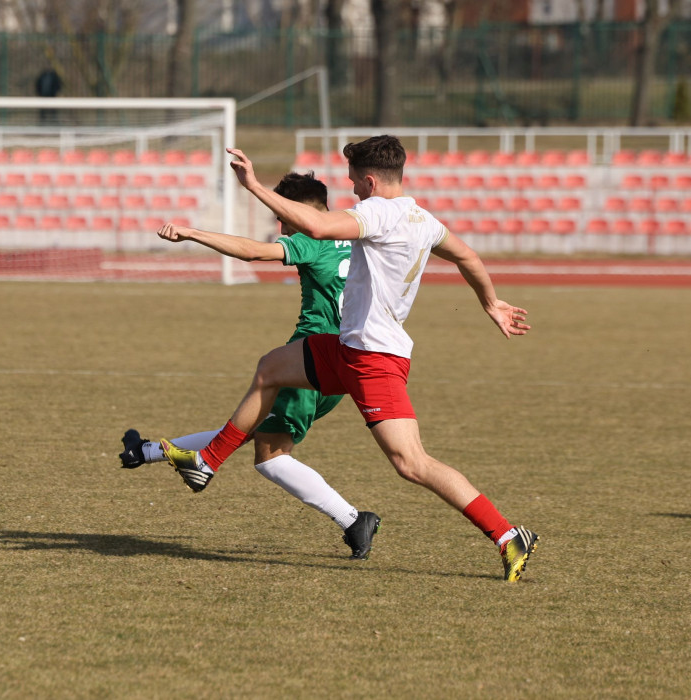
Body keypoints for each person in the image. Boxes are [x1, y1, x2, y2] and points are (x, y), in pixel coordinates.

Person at [160, 136, 539, 582]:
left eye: (355, 182)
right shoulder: (424, 219)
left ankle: (507, 534)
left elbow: (317, 228)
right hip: (347, 347)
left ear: (371, 180)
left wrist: (255, 187)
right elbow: (468, 256)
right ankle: (207, 462)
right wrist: (490, 303)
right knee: (270, 368)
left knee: (411, 463)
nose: (353, 190)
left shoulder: (377, 212)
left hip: (373, 359)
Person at [119, 172, 382, 559]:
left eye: (281, 215)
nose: (280, 225)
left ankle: (352, 519)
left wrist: (193, 233)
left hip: (306, 360)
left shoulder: (311, 237)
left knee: (271, 457)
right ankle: (145, 452)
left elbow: (253, 252)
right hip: (349, 359)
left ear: (293, 211)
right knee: (251, 425)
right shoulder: (355, 230)